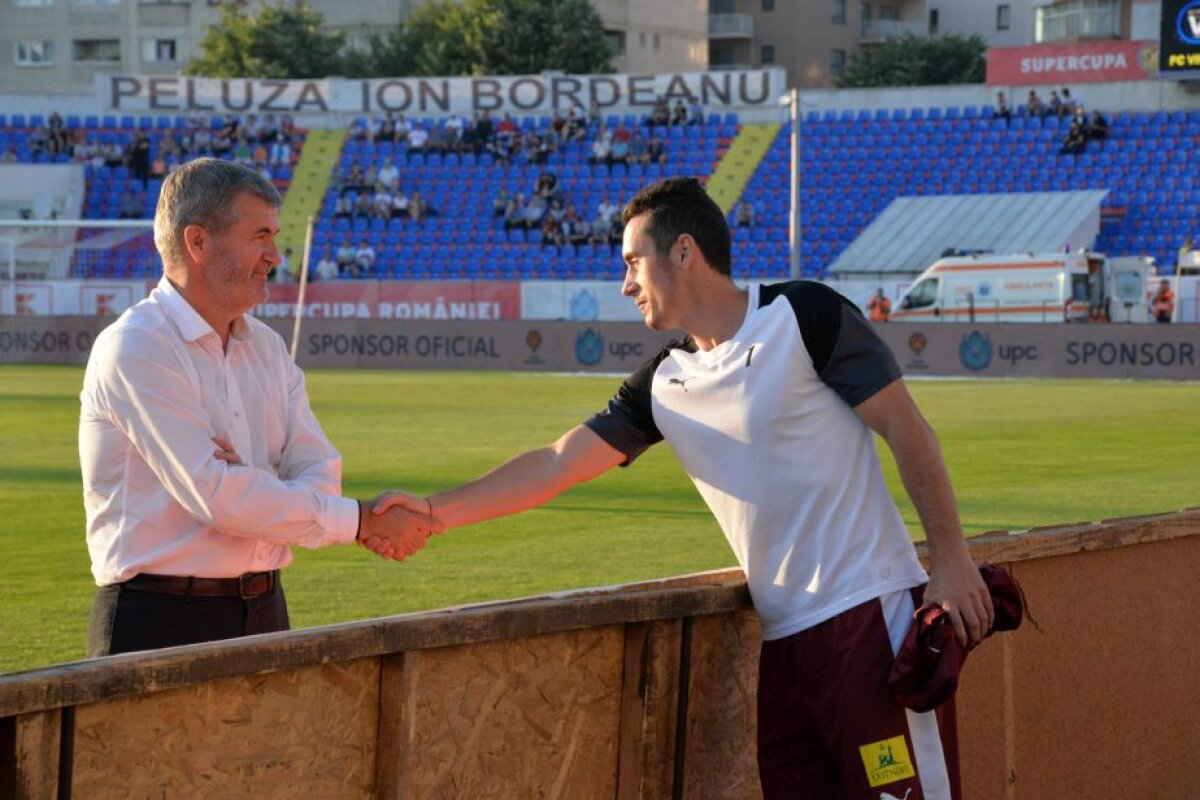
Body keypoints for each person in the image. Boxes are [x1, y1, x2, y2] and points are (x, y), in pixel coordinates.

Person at [367, 177, 992, 800]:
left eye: (634, 262)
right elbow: (557, 463)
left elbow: (907, 430)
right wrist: (430, 511)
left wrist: (952, 558)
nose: (626, 283)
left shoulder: (804, 315)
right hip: (784, 648)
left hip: (868, 619)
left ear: (684, 252)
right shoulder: (663, 383)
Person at [79, 159, 437, 658]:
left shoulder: (266, 347)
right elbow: (218, 497)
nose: (274, 254)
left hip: (267, 610)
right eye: (261, 235)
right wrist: (357, 520)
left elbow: (318, 470)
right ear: (198, 242)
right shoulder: (137, 347)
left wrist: (248, 484)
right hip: (160, 620)